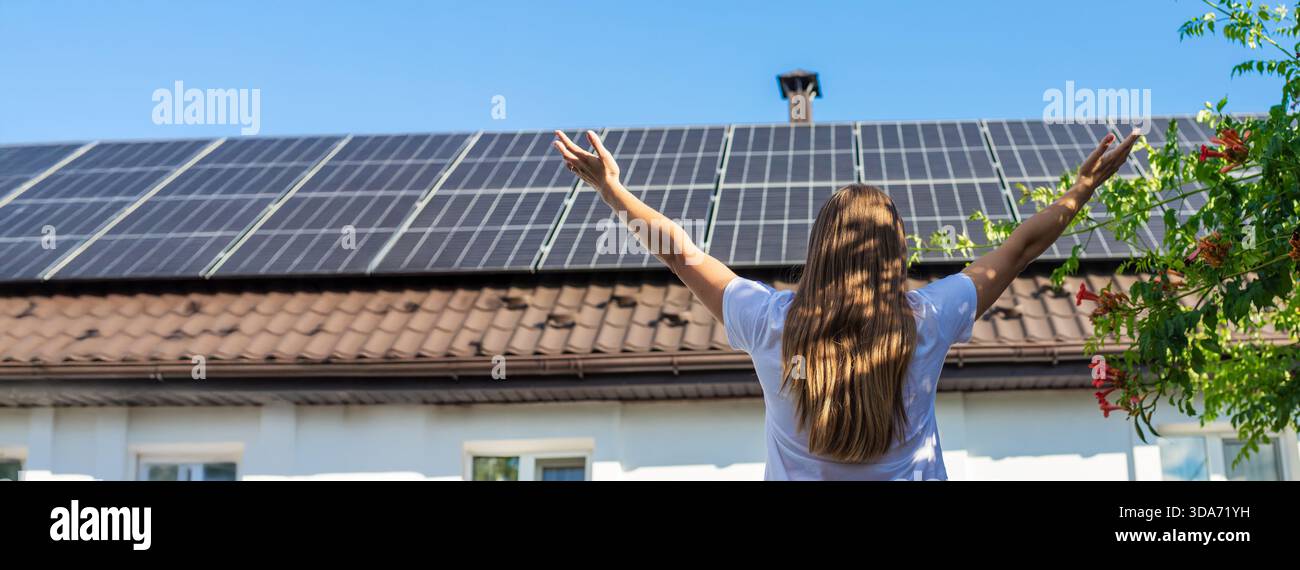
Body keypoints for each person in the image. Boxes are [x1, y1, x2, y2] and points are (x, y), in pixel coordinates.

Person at [552, 128, 1139, 480]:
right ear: (896, 252)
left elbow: (681, 255)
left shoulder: (769, 323)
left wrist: (612, 190)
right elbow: (1019, 251)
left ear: (819, 250)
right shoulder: (928, 321)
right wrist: (1083, 188)